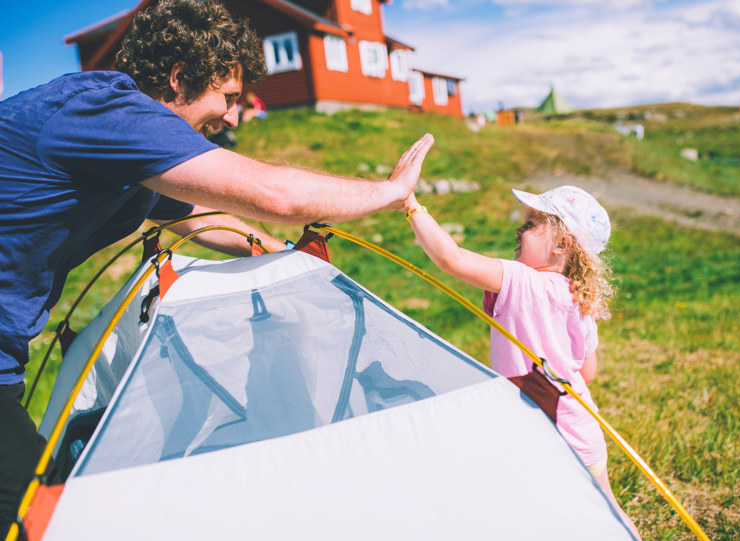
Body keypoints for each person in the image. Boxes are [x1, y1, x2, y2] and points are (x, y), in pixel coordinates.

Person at [0, 0, 433, 535]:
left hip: (7, 358)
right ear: (178, 79)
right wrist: (390, 192)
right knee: (33, 518)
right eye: (228, 98)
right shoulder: (105, 112)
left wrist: (274, 255)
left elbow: (196, 215)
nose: (233, 116)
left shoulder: (130, 153)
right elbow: (275, 194)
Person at [402, 185, 641, 539]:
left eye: (531, 224)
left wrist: (410, 205)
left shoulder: (522, 281)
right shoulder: (579, 298)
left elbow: (451, 258)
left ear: (563, 245)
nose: (518, 229)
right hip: (582, 433)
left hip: (547, 441)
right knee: (606, 514)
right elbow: (587, 371)